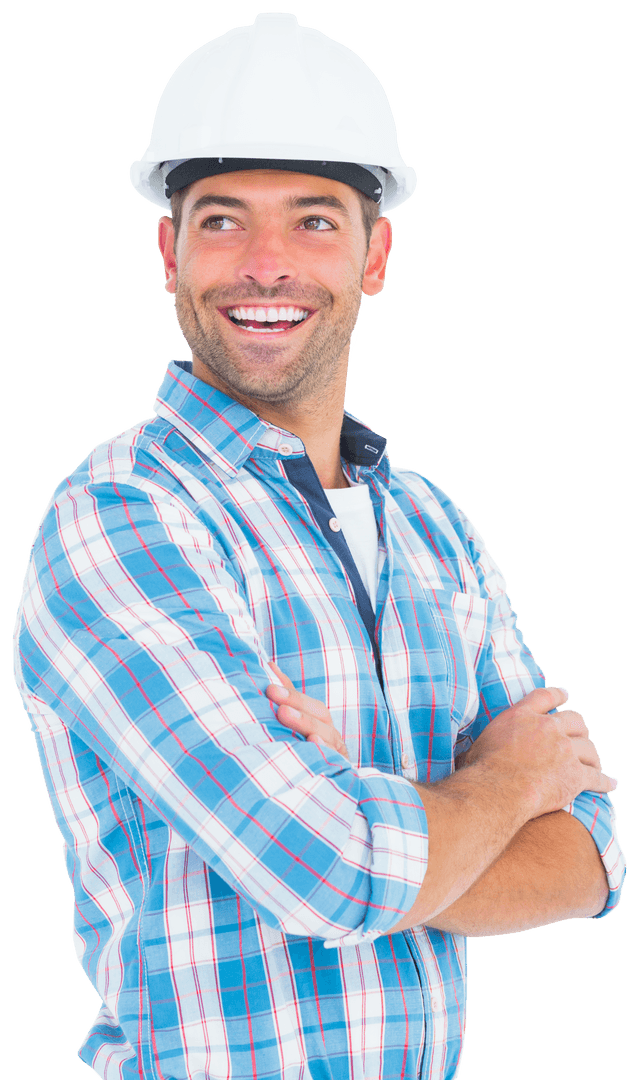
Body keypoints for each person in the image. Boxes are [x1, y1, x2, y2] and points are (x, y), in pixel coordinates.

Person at [12, 12, 625, 1080]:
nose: (265, 266)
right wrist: (498, 786)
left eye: (312, 221)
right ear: (168, 253)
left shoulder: (432, 525)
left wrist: (360, 804)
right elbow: (327, 874)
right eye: (221, 221)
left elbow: (592, 858)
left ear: (373, 255)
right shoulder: (119, 517)